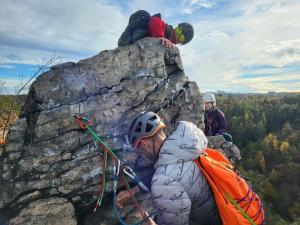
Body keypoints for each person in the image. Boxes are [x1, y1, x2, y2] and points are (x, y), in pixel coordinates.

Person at [117, 112, 221, 225]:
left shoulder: (163, 179)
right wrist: (133, 191)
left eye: (141, 151)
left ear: (145, 144)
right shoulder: (187, 146)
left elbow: (166, 180)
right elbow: (173, 175)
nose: (143, 155)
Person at [118, 10, 194, 48]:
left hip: (133, 42)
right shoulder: (167, 30)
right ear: (179, 29)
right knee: (123, 43)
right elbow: (155, 20)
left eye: (181, 43)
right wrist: (160, 37)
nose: (178, 42)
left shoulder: (168, 37)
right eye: (182, 39)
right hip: (131, 38)